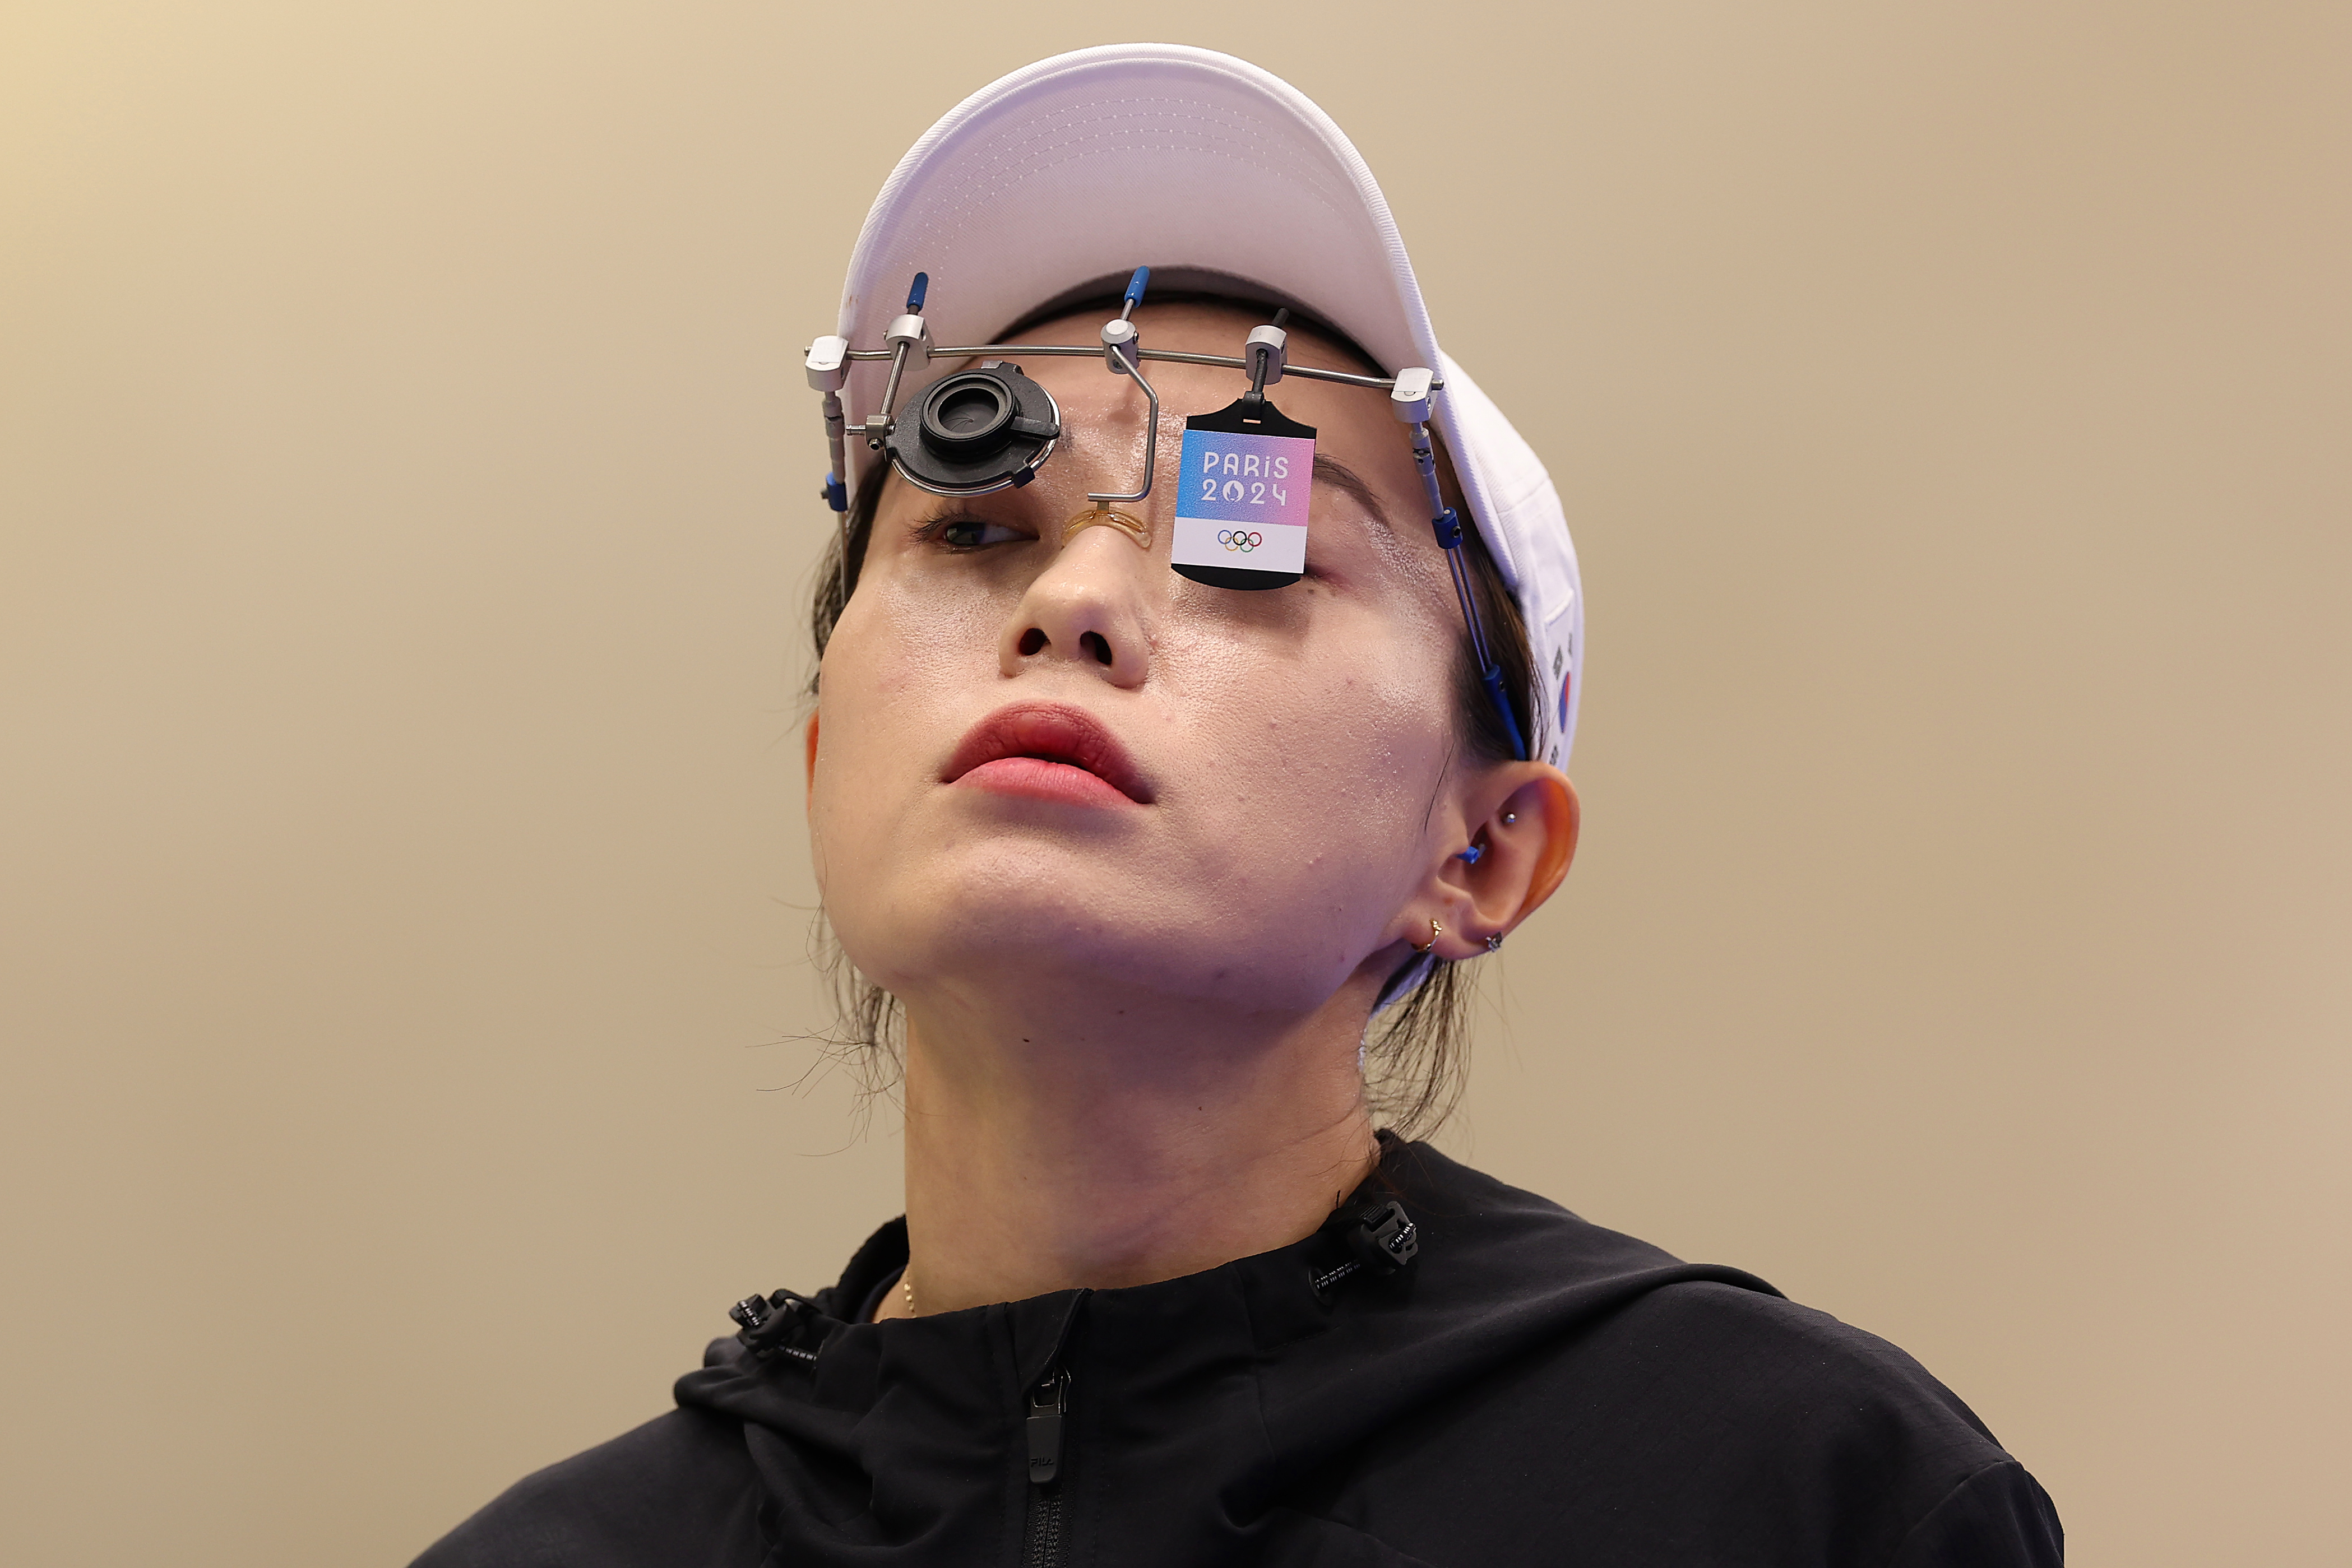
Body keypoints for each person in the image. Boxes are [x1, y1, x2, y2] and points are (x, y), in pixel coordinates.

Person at [414, 43, 2062, 1567]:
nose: (1071, 600)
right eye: (975, 529)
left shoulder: (1792, 1490)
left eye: (1246, 541)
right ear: (824, 762)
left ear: (1481, 848)